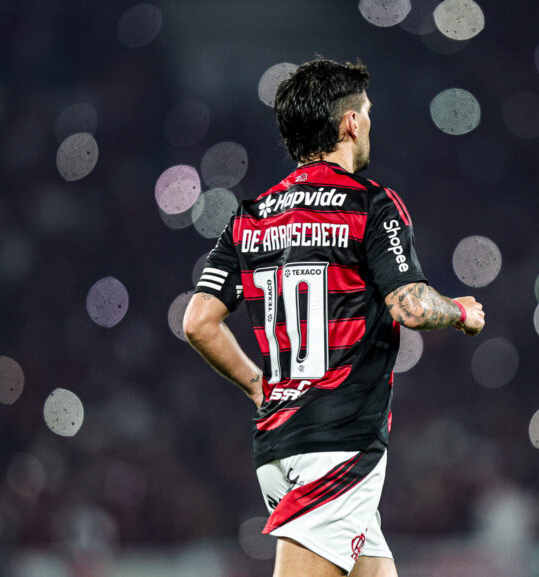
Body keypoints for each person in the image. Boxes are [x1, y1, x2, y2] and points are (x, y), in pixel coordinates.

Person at [183, 58, 485, 577]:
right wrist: (460, 312)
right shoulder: (370, 204)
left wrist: (259, 388)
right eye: (366, 112)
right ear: (349, 123)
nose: (369, 122)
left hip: (279, 445)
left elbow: (198, 322)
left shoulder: (250, 216)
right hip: (337, 443)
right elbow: (410, 306)